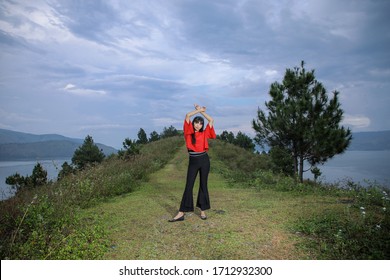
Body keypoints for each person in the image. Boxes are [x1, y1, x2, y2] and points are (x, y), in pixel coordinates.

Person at [169, 104, 216, 222]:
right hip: (193, 161)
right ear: (193, 123)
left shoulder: (204, 133)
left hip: (204, 160)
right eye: (196, 122)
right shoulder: (188, 132)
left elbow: (211, 120)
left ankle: (203, 210)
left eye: (200, 123)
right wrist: (198, 110)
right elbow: (187, 115)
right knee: (189, 185)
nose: (198, 125)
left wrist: (203, 112)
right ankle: (181, 212)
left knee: (203, 185)